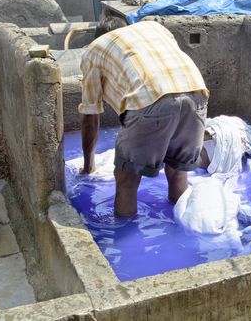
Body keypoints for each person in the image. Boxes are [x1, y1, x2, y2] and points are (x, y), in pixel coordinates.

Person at [79, 17, 209, 217]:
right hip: (196, 92)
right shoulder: (153, 27)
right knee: (177, 171)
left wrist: (88, 167)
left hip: (150, 97)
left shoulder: (95, 49)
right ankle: (181, 227)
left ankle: (124, 240)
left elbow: (91, 117)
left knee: (127, 180)